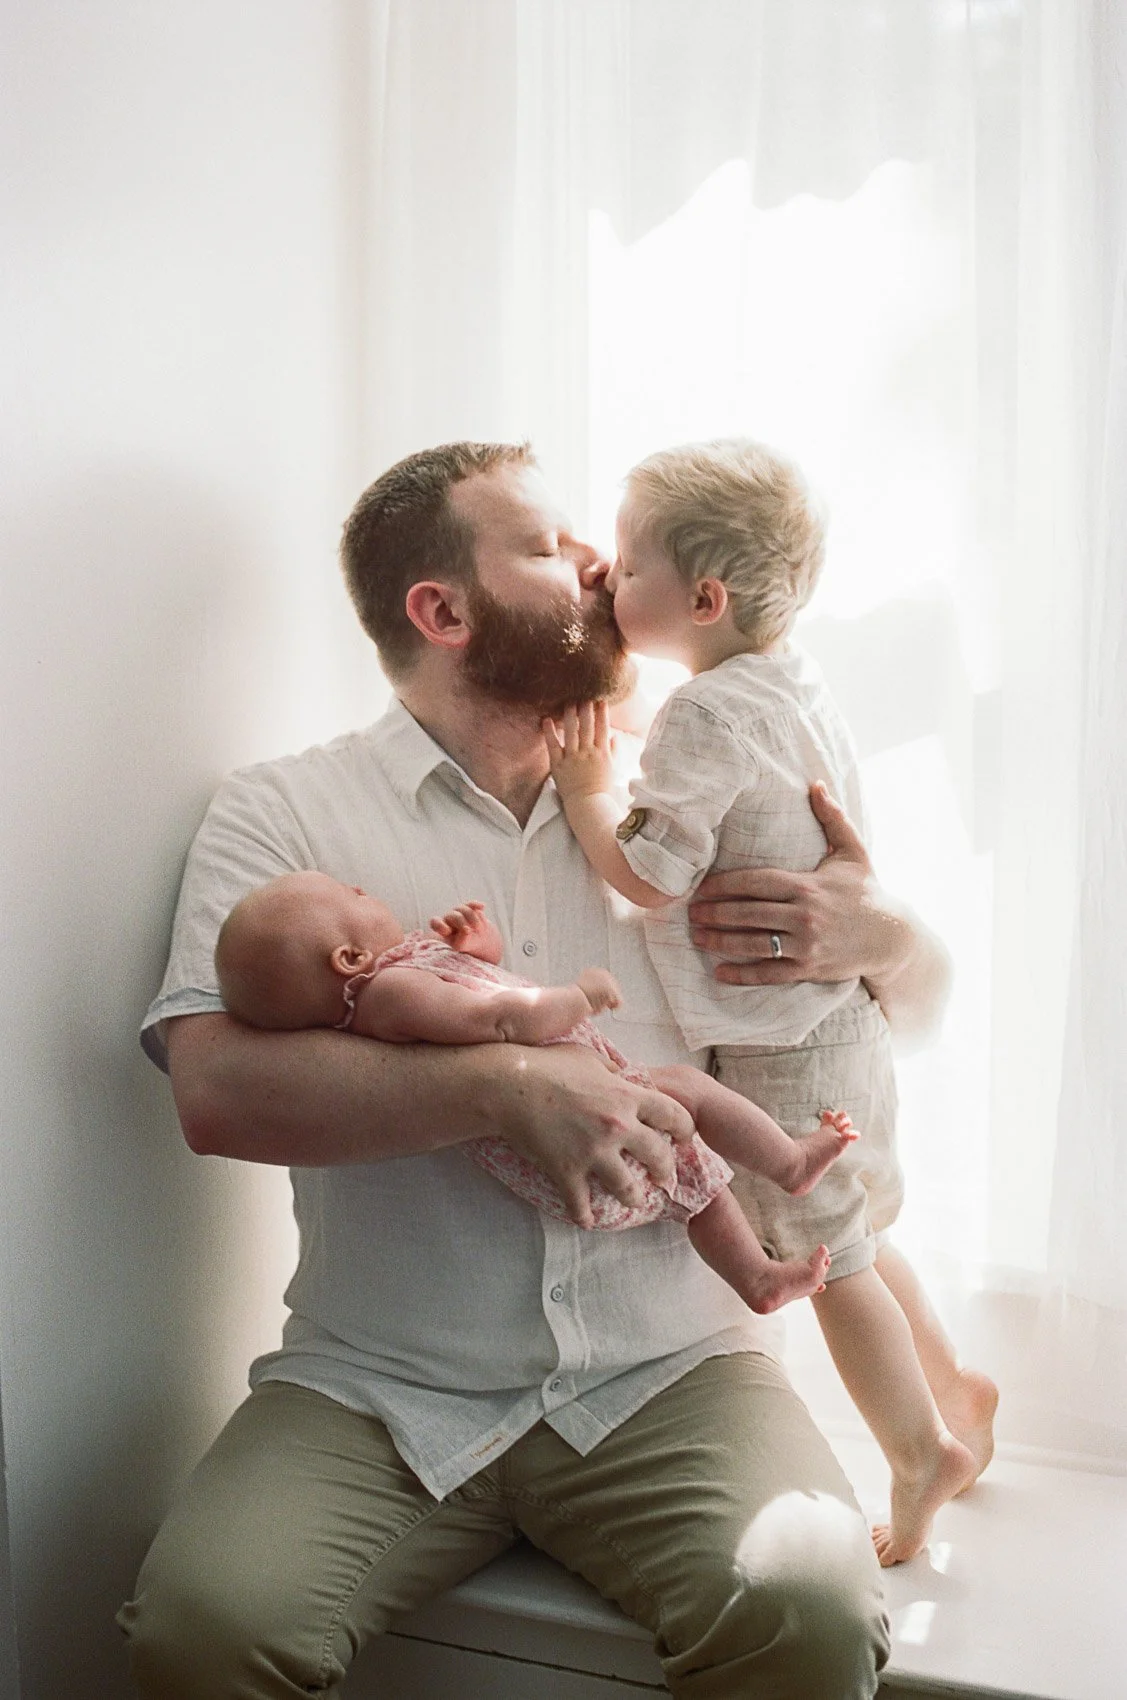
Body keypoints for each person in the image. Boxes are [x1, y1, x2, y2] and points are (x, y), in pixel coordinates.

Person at [119, 438, 950, 1699]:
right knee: (201, 1627)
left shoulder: (694, 789)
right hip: (379, 1383)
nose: (597, 565)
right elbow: (214, 1089)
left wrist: (890, 933)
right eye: (549, 549)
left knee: (809, 1613)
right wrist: (501, 1088)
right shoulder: (283, 818)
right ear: (441, 610)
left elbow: (898, 1011)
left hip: (674, 1371)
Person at [544, 436, 999, 1566]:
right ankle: (956, 1387)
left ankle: (913, 1447)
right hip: (844, 1026)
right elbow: (711, 747)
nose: (605, 575)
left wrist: (587, 789)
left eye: (628, 562)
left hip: (778, 1046)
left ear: (699, 597)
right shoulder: (777, 677)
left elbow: (648, 867)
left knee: (824, 1259)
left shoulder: (702, 717)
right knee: (857, 1222)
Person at [215, 873, 858, 1310]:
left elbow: (479, 994)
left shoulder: (401, 982)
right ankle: (763, 1253)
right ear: (348, 961)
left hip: (584, 1110)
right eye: (348, 893)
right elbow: (498, 1020)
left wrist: (475, 953)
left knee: (687, 1123)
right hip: (577, 1139)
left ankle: (783, 1185)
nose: (361, 887)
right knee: (693, 1156)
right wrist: (578, 996)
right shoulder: (392, 993)